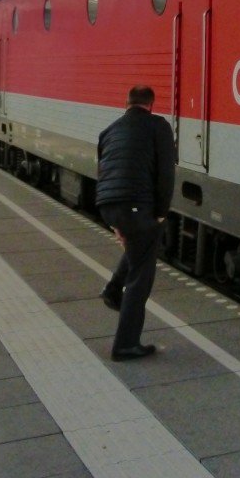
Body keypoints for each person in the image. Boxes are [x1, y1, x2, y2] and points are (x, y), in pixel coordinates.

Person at [96, 85, 176, 362]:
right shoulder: (159, 126)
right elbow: (166, 173)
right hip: (136, 206)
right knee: (141, 276)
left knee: (140, 243)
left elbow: (104, 171)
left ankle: (112, 290)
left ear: (126, 102)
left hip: (108, 204)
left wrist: (114, 218)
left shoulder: (110, 130)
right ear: (151, 105)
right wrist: (162, 213)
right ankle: (125, 345)